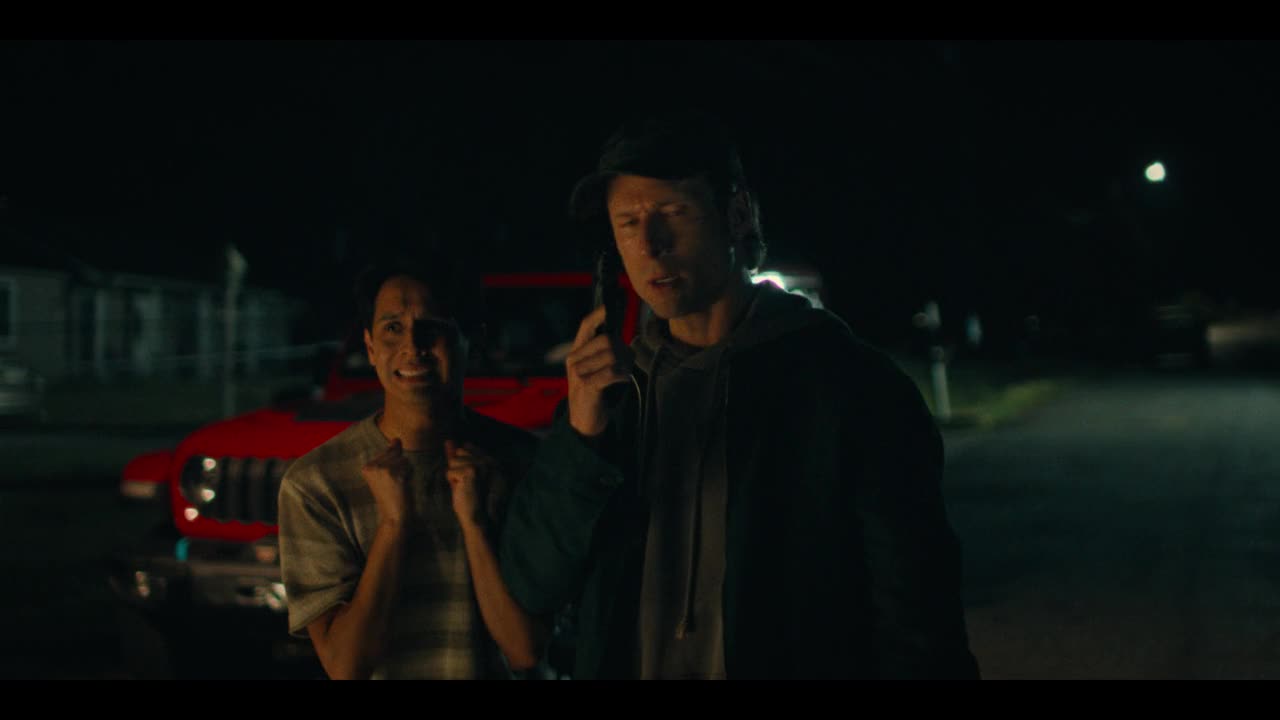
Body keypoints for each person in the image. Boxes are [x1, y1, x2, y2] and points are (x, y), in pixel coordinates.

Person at [498, 111, 980, 679]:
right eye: (627, 222)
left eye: (673, 212)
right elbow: (533, 586)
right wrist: (581, 436)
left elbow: (918, 620)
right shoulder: (616, 398)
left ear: (737, 214)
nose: (649, 245)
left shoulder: (848, 386)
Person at [278, 253, 546, 679]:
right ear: (370, 347)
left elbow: (525, 651)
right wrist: (393, 524)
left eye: (432, 327)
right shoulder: (315, 483)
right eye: (392, 328)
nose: (413, 347)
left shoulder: (523, 463)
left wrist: (475, 523)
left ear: (471, 339)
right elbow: (346, 666)